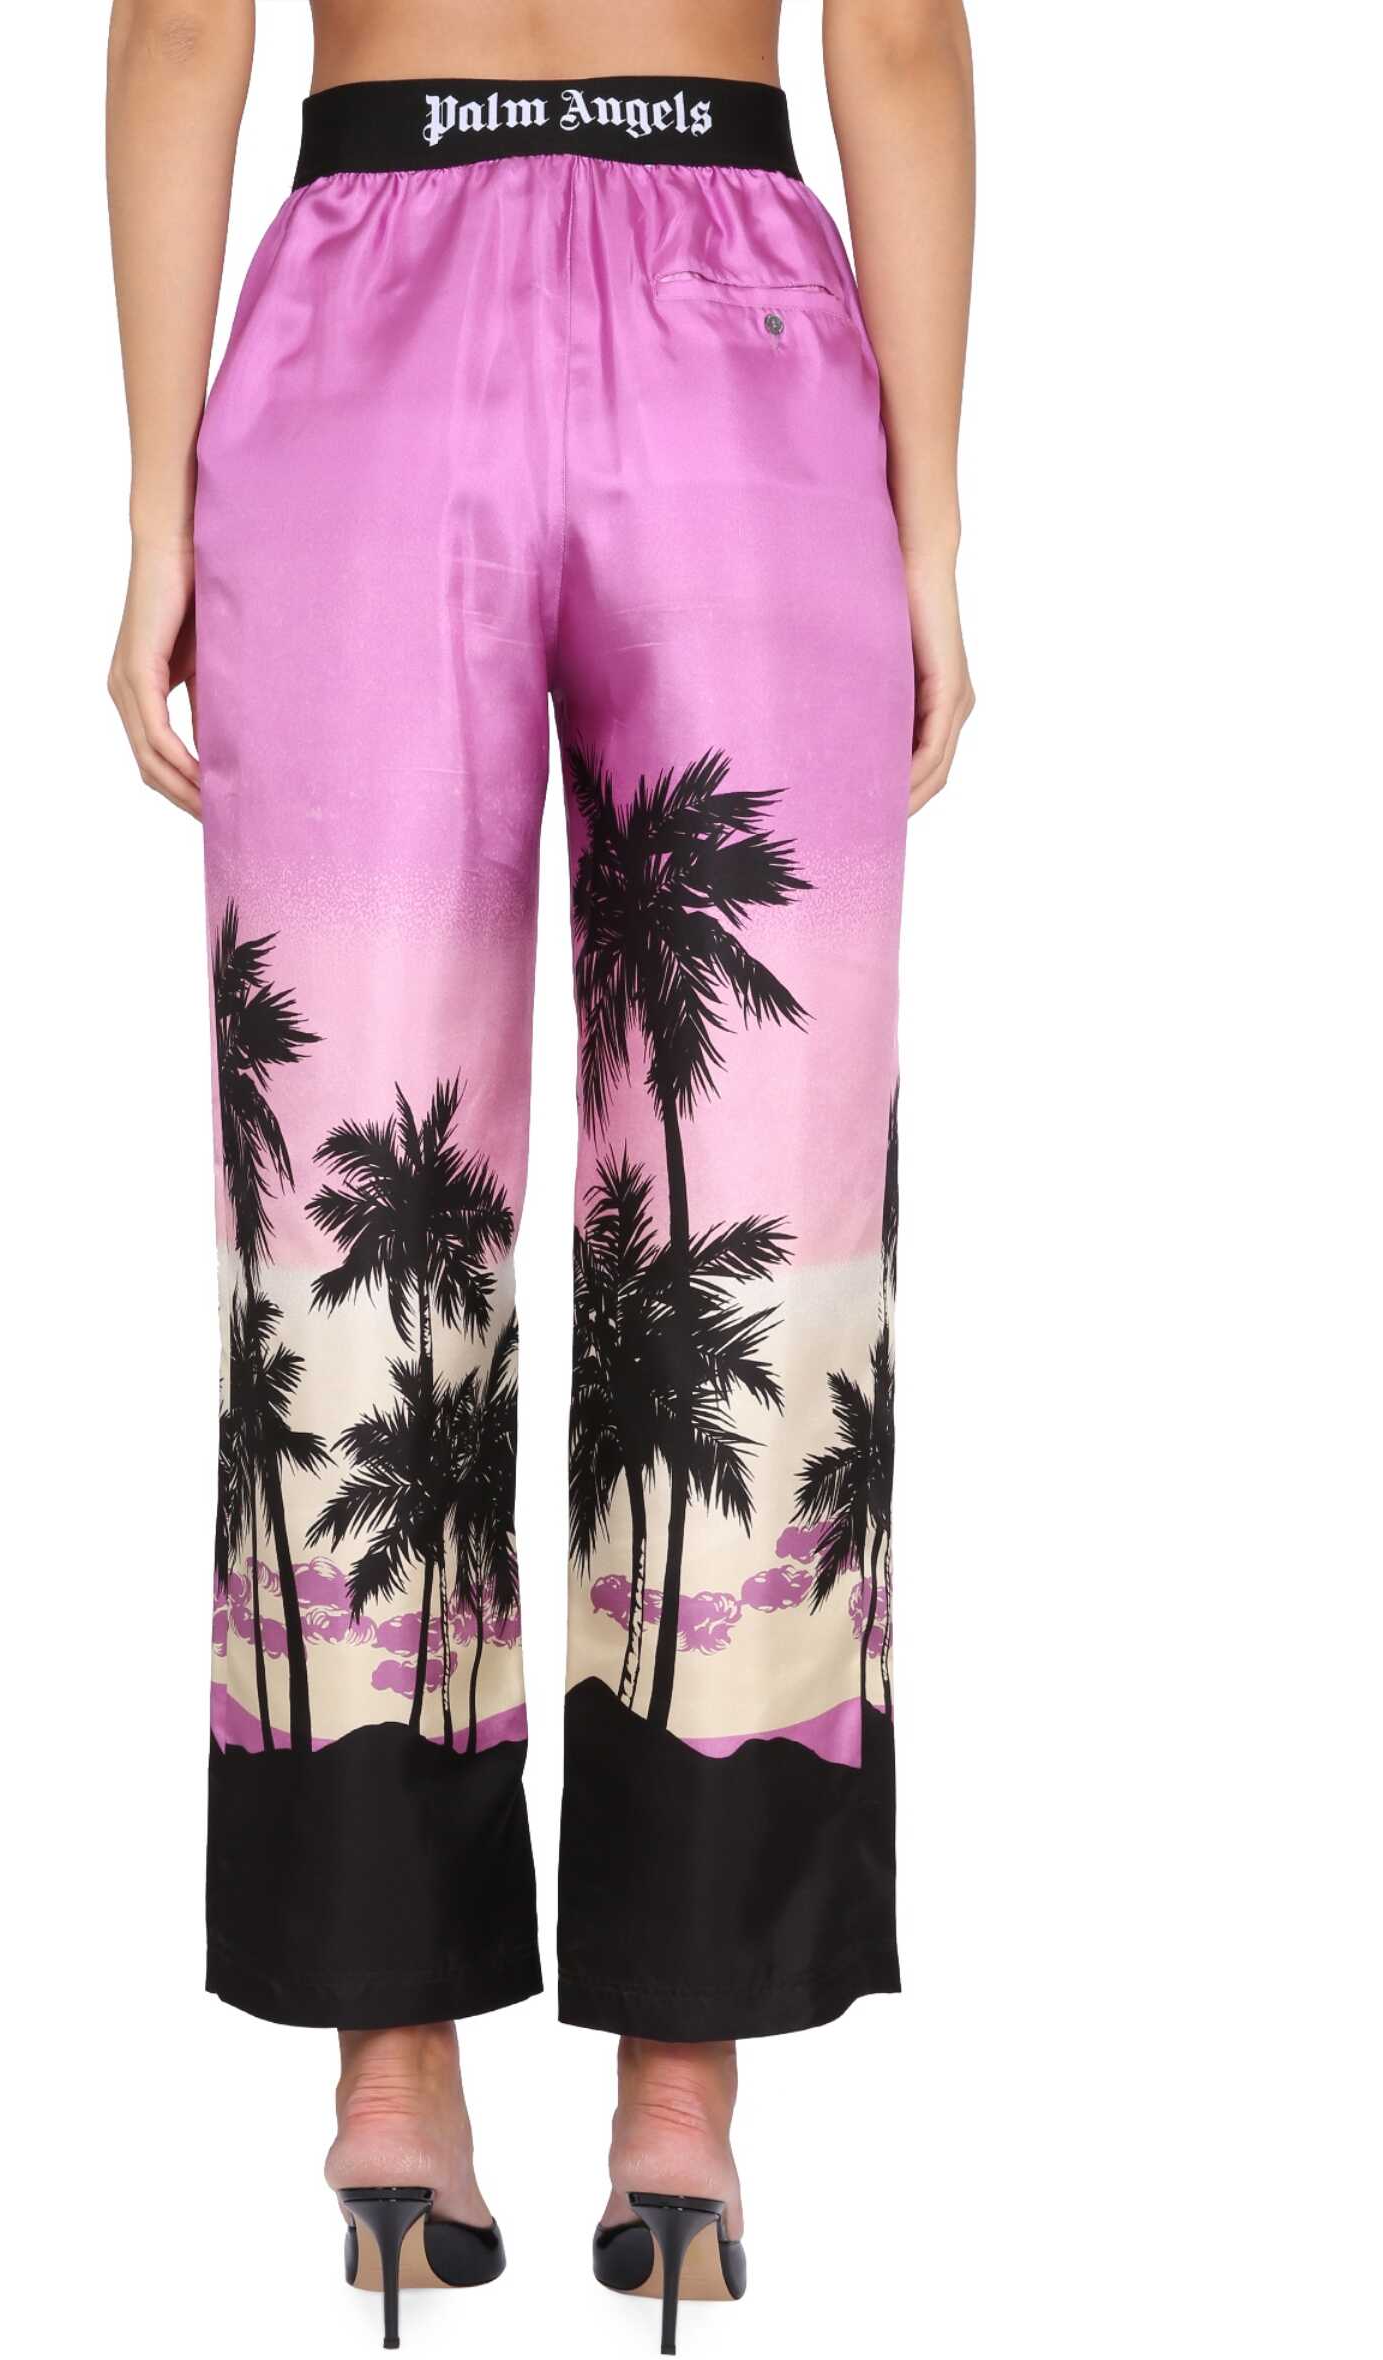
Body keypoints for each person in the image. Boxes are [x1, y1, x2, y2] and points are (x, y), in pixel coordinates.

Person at [107, 0, 973, 2346]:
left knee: (349, 1203)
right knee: (758, 1202)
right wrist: (930, 517)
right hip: (737, 334)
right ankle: (683, 2081)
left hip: (364, 330)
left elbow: (183, 24)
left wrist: (157, 499)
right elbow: (896, 31)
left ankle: (393, 2059)